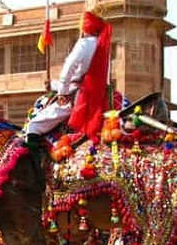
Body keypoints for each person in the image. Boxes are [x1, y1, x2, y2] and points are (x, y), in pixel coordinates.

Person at [24, 10, 113, 145]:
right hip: (100, 95)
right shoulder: (103, 46)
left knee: (34, 126)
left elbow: (69, 69)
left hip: (79, 96)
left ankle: (37, 164)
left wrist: (62, 93)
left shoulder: (84, 43)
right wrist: (54, 85)